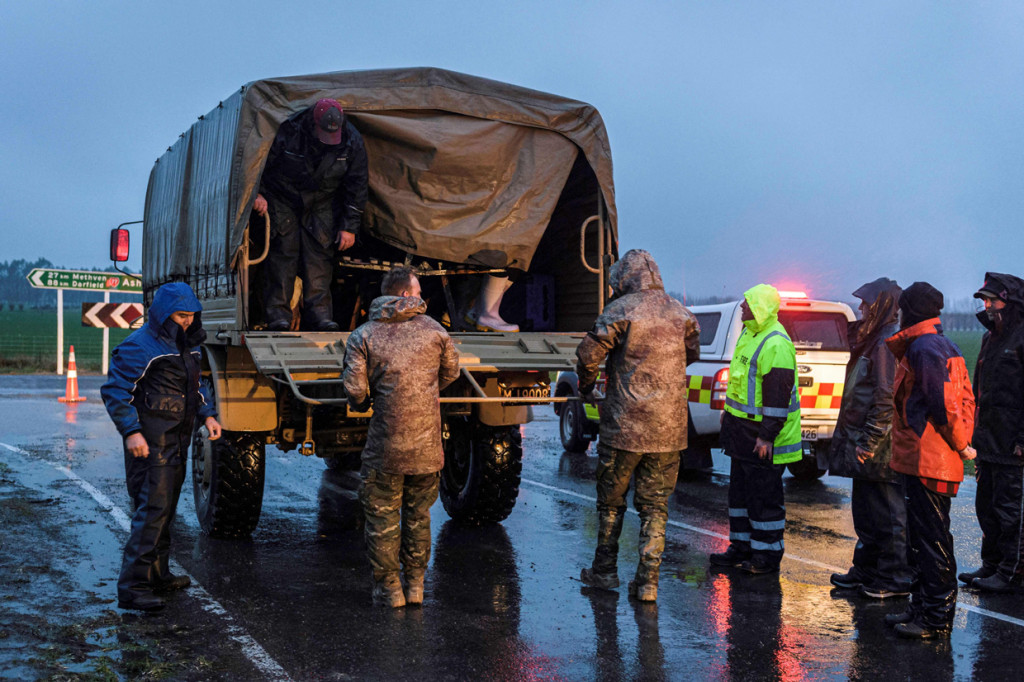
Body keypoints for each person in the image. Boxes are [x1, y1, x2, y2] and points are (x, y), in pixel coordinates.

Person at [575, 249, 701, 602]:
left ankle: (604, 572)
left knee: (611, 504)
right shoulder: (682, 314)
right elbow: (692, 354)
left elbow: (588, 355)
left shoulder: (620, 310)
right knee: (655, 507)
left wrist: (587, 387)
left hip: (623, 429)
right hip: (669, 432)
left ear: (623, 279)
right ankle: (648, 583)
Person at [342, 265, 460, 608]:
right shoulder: (436, 331)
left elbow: (355, 389)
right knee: (419, 516)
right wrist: (424, 391)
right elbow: (451, 371)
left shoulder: (364, 335)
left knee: (382, 517)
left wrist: (366, 402)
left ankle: (389, 589)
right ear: (406, 294)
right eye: (419, 288)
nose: (423, 294)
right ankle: (417, 586)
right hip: (426, 448)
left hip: (385, 447)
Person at [101, 282, 223, 611]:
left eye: (192, 316)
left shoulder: (189, 347)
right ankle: (133, 588)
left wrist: (208, 415)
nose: (187, 321)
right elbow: (115, 391)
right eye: (181, 315)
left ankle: (158, 574)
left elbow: (195, 387)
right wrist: (131, 432)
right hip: (150, 444)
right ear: (163, 313)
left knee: (165, 511)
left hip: (177, 441)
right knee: (151, 513)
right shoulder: (139, 346)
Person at [883, 282, 975, 639]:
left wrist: (962, 445)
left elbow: (944, 404)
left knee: (931, 539)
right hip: (922, 457)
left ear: (910, 310)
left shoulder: (925, 347)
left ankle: (935, 618)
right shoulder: (930, 343)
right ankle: (922, 609)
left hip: (929, 458)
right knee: (921, 539)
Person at [827, 278, 914, 599]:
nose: (860, 309)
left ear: (881, 306)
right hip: (866, 443)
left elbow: (884, 398)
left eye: (865, 304)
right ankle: (866, 570)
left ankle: (894, 578)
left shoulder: (887, 343)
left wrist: (870, 441)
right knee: (865, 512)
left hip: (881, 447)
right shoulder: (874, 339)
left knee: (888, 514)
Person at [709, 284, 801, 575]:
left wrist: (766, 436)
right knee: (740, 494)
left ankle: (767, 555)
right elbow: (739, 382)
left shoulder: (776, 343)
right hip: (741, 429)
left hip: (762, 434)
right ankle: (742, 547)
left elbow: (777, 398)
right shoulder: (750, 334)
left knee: (764, 498)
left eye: (747, 304)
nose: (742, 308)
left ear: (760, 308)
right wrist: (728, 413)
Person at [255, 98, 368, 332]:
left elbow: (357, 186)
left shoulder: (352, 141)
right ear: (314, 122)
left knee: (319, 256)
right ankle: (278, 316)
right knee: (283, 253)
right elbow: (260, 165)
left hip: (322, 201)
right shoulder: (289, 131)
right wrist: (258, 193)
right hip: (283, 196)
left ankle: (321, 316)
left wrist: (350, 226)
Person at [959, 272, 1024, 593]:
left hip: (1013, 444)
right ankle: (991, 563)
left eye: (991, 300)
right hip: (987, 440)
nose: (986, 306)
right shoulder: (990, 338)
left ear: (1009, 302)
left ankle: (1011, 571)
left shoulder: (1022, 338)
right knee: (986, 506)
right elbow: (978, 389)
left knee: (1010, 510)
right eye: (983, 301)